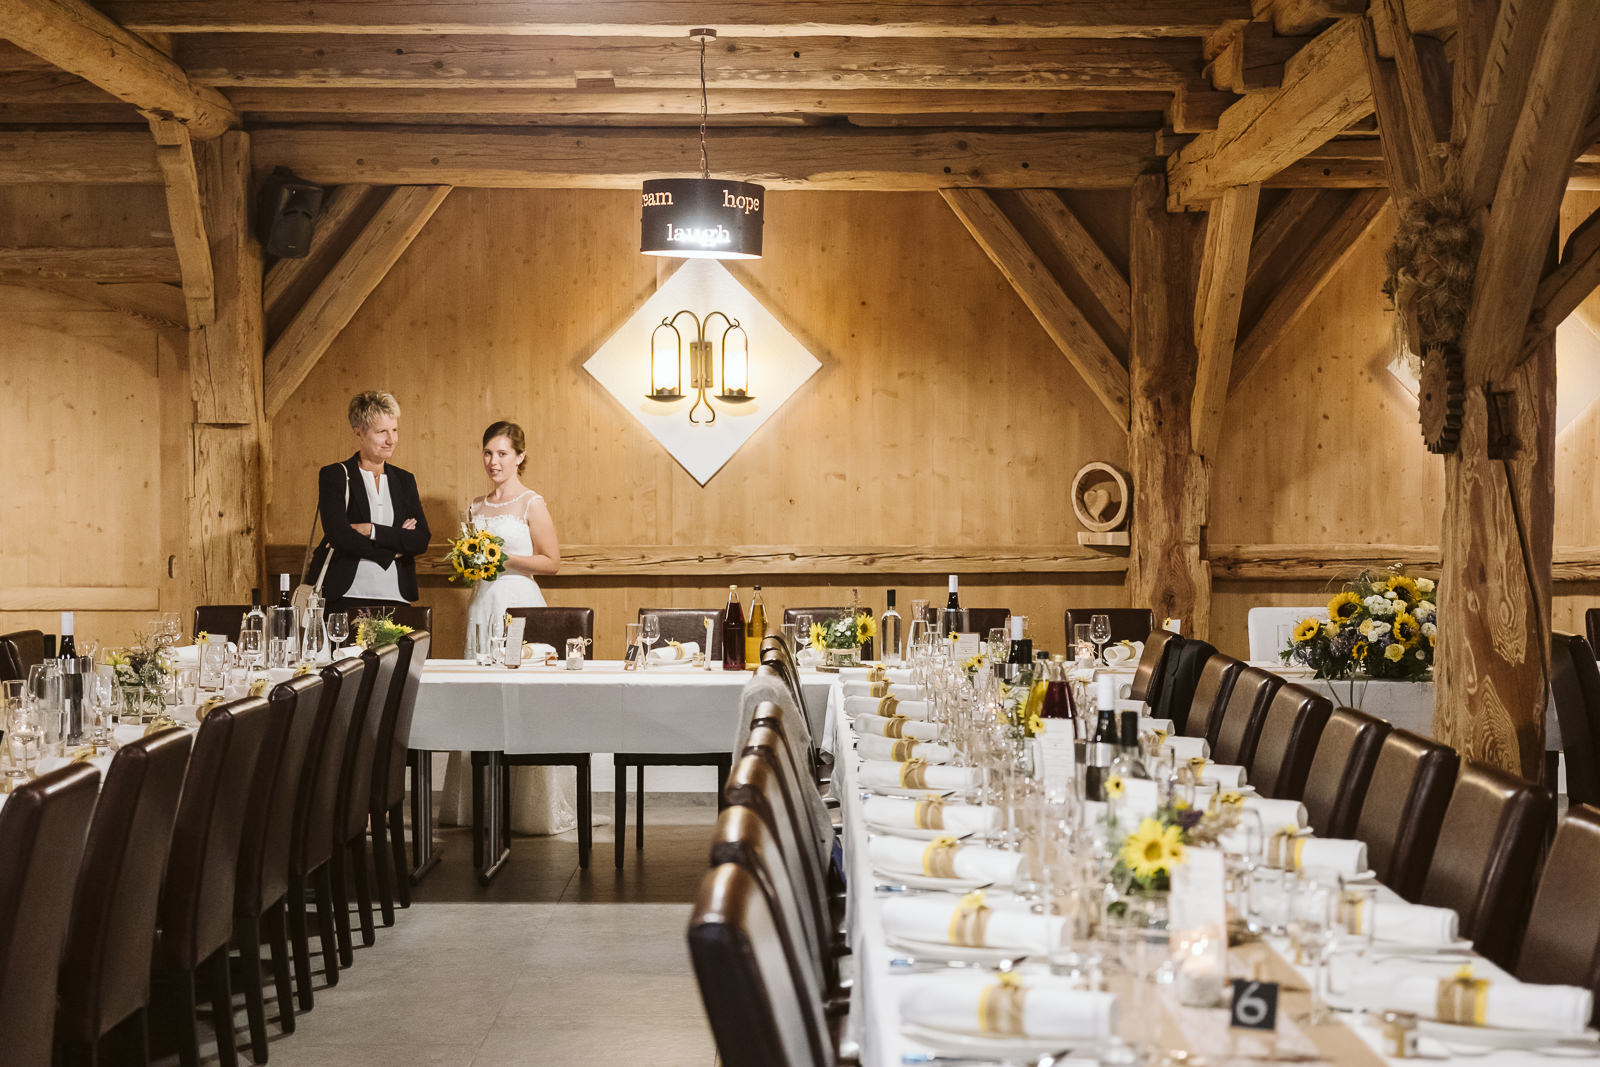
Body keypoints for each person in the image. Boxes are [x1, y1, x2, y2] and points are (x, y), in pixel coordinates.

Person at [439, 420, 577, 835]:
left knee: (522, 700)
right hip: (482, 604)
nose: (493, 461)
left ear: (520, 457)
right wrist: (470, 562)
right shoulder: (475, 506)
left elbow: (551, 562)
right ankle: (478, 804)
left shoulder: (532, 503)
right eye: (488, 453)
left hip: (519, 603)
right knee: (479, 699)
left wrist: (503, 558)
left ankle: (530, 808)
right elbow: (471, 563)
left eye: (502, 453)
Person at [314, 391, 430, 616]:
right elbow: (339, 535)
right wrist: (393, 549)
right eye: (381, 432)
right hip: (345, 595)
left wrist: (371, 530)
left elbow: (420, 539)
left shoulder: (405, 480)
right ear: (359, 432)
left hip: (395, 595)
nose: (391, 440)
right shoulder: (335, 475)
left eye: (394, 430)